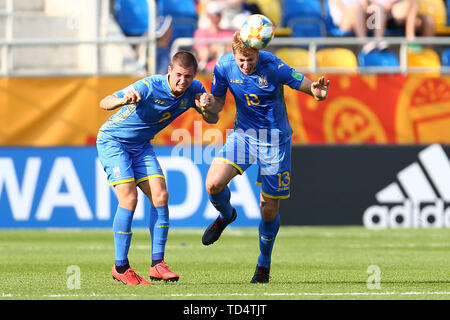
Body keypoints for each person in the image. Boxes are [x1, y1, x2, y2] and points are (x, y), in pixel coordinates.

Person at [197, 32, 330, 283]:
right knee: (213, 184)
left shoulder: (273, 65)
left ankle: (263, 264)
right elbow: (215, 107)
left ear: (258, 53)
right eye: (241, 61)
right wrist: (207, 104)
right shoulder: (224, 66)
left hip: (275, 141)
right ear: (233, 56)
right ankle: (226, 216)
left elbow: (304, 84)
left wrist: (315, 91)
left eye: (249, 59)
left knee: (268, 208)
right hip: (243, 135)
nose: (245, 66)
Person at [97, 51, 217, 285]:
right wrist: (122, 99)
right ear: (169, 70)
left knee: (161, 195)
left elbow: (212, 120)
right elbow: (105, 102)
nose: (183, 81)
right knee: (129, 199)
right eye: (179, 75)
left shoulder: (195, 89)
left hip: (141, 145)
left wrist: (208, 107)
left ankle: (157, 265)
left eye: (189, 77)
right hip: (114, 141)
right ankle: (121, 267)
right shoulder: (149, 85)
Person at [367, 0, 435, 52]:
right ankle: (410, 39)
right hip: (379, 13)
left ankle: (428, 55)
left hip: (399, 12)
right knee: (413, 3)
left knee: (428, 20)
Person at [194, 2, 235, 72]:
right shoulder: (200, 33)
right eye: (213, 14)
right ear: (208, 16)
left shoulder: (230, 32)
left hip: (228, 71)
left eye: (218, 14)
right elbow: (204, 55)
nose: (216, 17)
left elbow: (235, 52)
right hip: (208, 72)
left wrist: (214, 48)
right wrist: (224, 47)